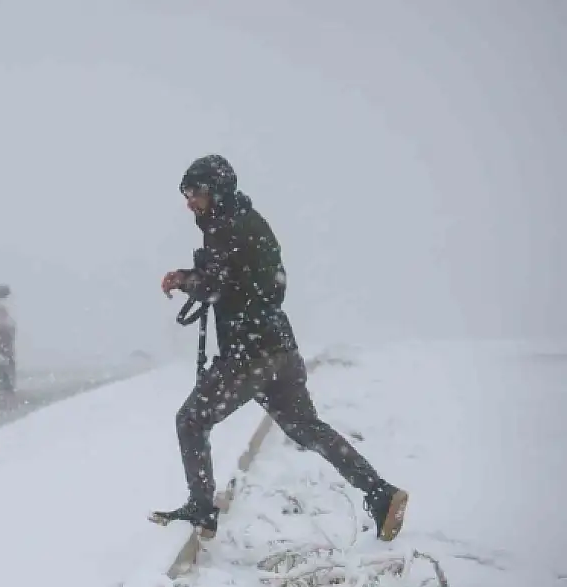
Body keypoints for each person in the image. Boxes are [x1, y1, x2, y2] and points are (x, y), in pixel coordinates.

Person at [154, 154, 409, 542]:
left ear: (216, 191)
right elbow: (257, 284)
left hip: (249, 354)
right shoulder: (249, 223)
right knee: (306, 428)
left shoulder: (229, 227)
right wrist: (203, 278)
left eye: (196, 192)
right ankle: (380, 493)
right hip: (279, 351)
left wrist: (185, 279)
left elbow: (217, 285)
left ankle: (202, 510)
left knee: (191, 421)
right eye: (186, 193)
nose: (190, 201)